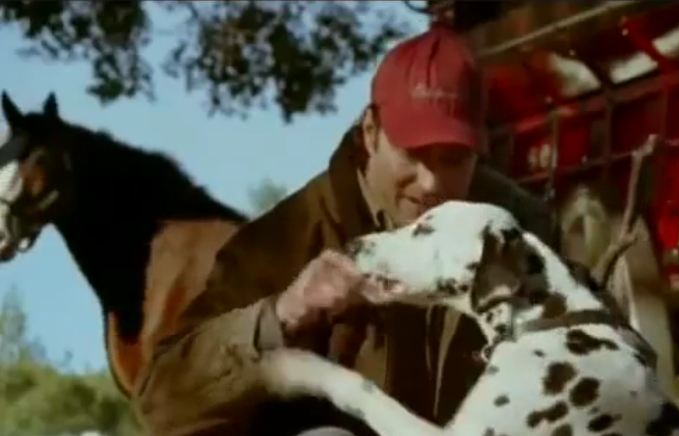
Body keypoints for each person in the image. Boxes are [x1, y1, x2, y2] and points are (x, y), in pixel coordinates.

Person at [132, 24, 556, 436]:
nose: (430, 183)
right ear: (371, 133)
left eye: (453, 160)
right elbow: (160, 406)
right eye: (414, 154)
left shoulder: (520, 229)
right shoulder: (287, 239)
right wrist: (282, 315)